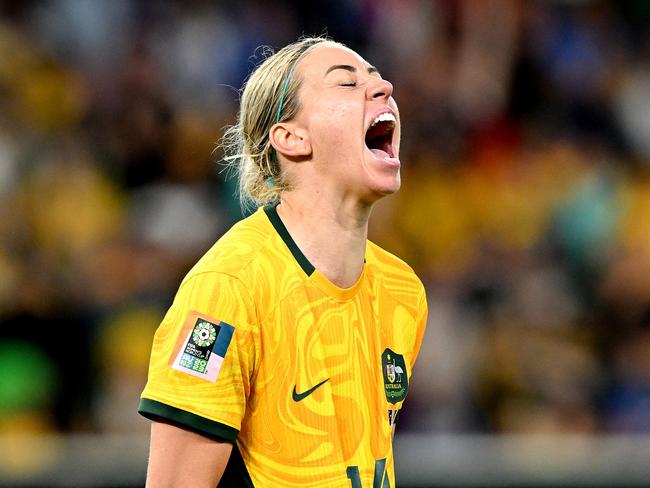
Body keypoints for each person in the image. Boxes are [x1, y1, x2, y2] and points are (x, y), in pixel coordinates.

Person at [138, 35, 428, 487]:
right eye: (346, 83)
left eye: (377, 77)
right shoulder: (229, 288)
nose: (383, 86)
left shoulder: (403, 290)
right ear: (291, 138)